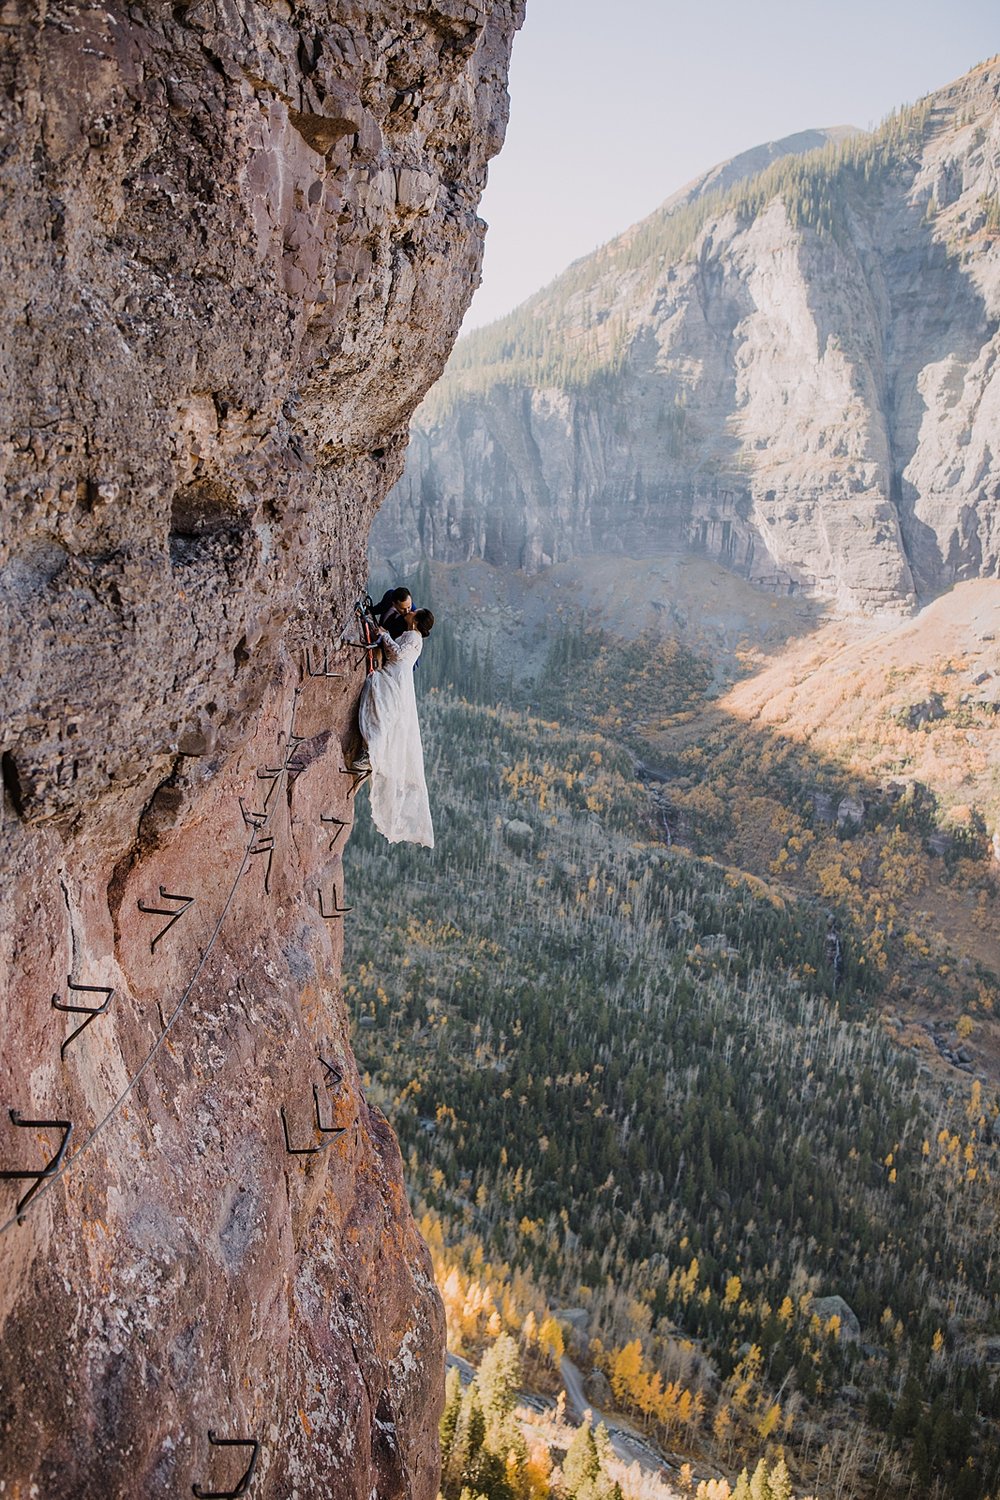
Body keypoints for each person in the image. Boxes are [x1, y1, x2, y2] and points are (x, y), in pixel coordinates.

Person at [357, 608, 435, 847]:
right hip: (396, 675)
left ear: (417, 621)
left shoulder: (413, 637)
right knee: (383, 711)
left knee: (382, 710)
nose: (410, 611)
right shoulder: (414, 636)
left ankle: (372, 754)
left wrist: (384, 636)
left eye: (414, 612)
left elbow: (399, 654)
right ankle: (371, 754)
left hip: (396, 677)